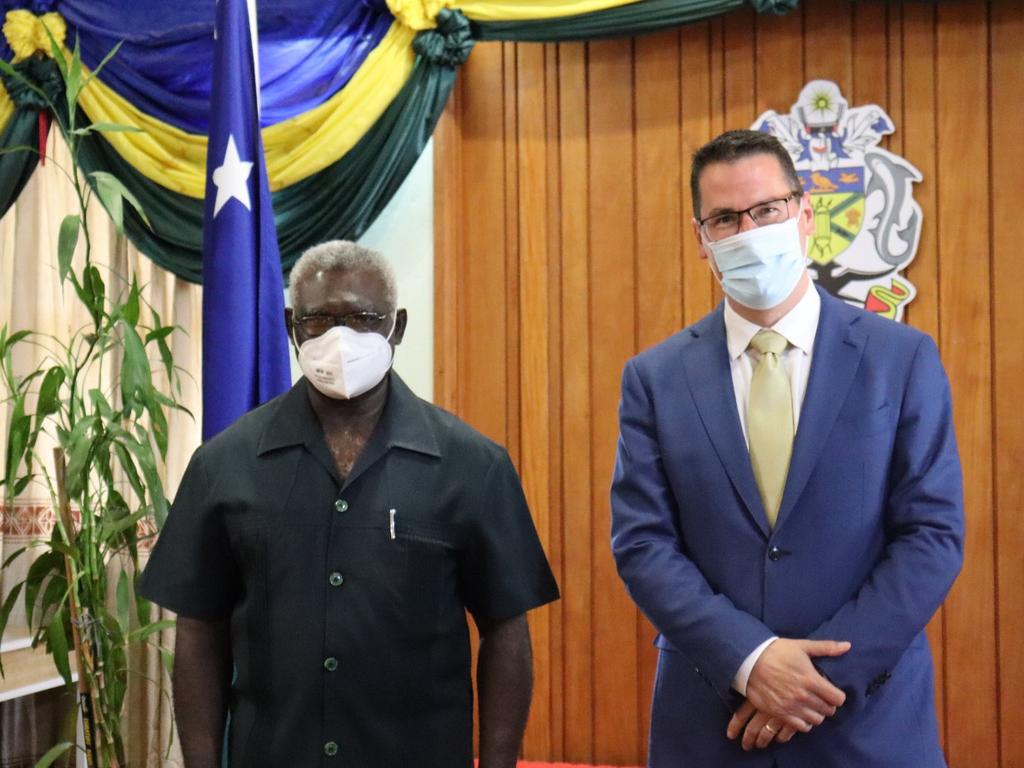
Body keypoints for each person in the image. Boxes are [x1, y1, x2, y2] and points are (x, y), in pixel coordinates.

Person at [610, 130, 963, 767]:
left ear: (804, 217)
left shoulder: (901, 358)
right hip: (714, 722)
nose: (748, 230)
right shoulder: (654, 378)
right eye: (724, 218)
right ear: (702, 240)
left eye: (767, 210)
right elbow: (643, 544)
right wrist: (751, 660)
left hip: (868, 718)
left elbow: (931, 534)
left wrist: (811, 682)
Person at [140, 241, 560, 768]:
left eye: (364, 318)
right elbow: (200, 629)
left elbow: (505, 628)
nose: (341, 339)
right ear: (293, 327)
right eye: (319, 320)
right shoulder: (223, 465)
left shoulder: (473, 466)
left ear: (397, 327)